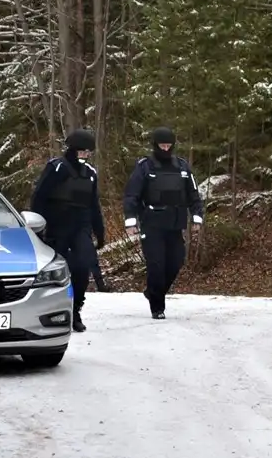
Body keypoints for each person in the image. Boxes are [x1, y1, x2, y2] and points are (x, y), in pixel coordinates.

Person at [122, 127, 204, 319]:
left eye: (169, 145)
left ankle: (152, 291)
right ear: (155, 145)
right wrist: (130, 221)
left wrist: (197, 217)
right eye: (162, 145)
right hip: (152, 223)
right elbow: (132, 194)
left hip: (175, 223)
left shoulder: (182, 167)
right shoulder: (145, 167)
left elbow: (193, 194)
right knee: (156, 265)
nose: (166, 149)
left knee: (176, 262)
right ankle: (157, 307)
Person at [30, 128, 106, 333]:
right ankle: (53, 312)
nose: (85, 156)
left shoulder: (90, 174)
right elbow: (39, 197)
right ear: (72, 150)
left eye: (88, 153)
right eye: (82, 152)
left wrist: (100, 232)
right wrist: (38, 227)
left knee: (82, 268)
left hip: (80, 227)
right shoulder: (57, 168)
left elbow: (94, 205)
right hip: (56, 227)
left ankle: (76, 309)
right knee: (60, 272)